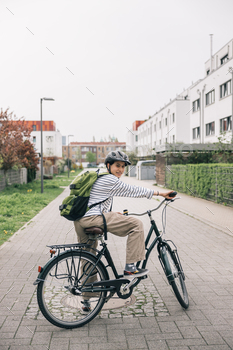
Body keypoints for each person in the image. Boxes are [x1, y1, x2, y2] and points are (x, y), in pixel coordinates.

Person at [74, 150, 176, 312]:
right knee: (136, 224)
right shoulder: (109, 179)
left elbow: (97, 202)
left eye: (123, 167)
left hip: (81, 220)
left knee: (89, 258)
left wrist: (113, 214)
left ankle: (86, 299)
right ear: (109, 166)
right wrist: (161, 192)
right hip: (93, 219)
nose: (120, 169)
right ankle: (130, 267)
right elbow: (132, 190)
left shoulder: (101, 177)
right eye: (117, 166)